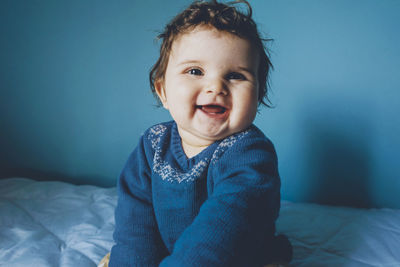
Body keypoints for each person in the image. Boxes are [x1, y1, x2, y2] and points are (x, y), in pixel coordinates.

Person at [105, 0, 292, 266]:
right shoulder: (152, 145)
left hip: (233, 254)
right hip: (174, 252)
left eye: (236, 76)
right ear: (163, 92)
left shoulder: (250, 153)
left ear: (258, 96)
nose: (216, 86)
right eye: (195, 71)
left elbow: (222, 227)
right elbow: (135, 222)